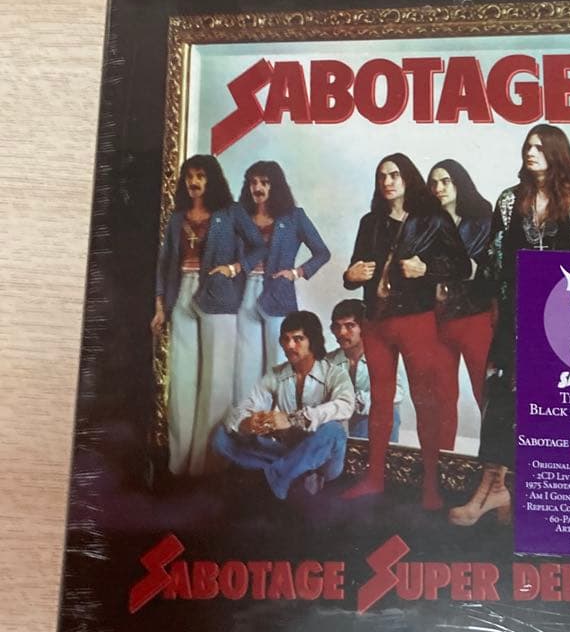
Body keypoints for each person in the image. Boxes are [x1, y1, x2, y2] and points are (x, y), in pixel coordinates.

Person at [449, 124, 570, 526]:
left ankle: (550, 501)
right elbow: (494, 259)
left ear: (555, 153)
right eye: (528, 146)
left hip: (565, 322)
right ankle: (492, 488)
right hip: (513, 317)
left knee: (555, 404)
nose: (531, 152)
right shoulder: (509, 201)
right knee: (500, 397)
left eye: (539, 146)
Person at [342, 153, 471, 509]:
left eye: (394, 175)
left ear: (408, 178)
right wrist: (349, 276)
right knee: (380, 401)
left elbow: (461, 265)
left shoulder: (433, 219)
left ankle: (430, 486)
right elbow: (354, 271)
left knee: (424, 399)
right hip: (376, 322)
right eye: (382, 176)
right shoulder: (370, 221)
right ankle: (374, 479)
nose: (387, 181)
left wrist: (426, 269)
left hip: (416, 320)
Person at [151, 154, 265, 477]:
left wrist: (234, 267)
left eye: (200, 175)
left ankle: (208, 468)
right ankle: (179, 466)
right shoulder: (177, 218)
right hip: (182, 297)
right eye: (189, 176)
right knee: (183, 381)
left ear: (211, 179)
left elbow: (259, 246)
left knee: (216, 382)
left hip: (219, 297)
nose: (194, 181)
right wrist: (160, 306)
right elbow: (164, 264)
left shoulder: (231, 212)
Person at [211, 311, 353, 500]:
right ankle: (292, 475)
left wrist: (293, 419)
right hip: (289, 452)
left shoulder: (335, 374)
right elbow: (246, 406)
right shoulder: (276, 374)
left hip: (324, 460)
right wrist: (247, 422)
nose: (289, 345)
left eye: (298, 339)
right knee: (221, 437)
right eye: (285, 339)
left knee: (334, 430)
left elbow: (345, 406)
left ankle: (271, 480)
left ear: (313, 341)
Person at [234, 160, 330, 402]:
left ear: (275, 185)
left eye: (264, 182)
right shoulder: (240, 217)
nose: (258, 188)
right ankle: (250, 417)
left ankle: (279, 419)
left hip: (278, 294)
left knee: (280, 361)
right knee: (246, 365)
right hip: (244, 293)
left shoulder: (294, 217)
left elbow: (322, 252)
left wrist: (296, 272)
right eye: (253, 182)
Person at [427, 159, 495, 450]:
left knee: (485, 391)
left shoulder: (482, 219)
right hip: (437, 319)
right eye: (433, 183)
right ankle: (444, 460)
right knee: (442, 395)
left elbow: (482, 268)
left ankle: (496, 463)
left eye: (445, 181)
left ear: (459, 183)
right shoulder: (425, 224)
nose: (438, 188)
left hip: (474, 315)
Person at [326, 299, 406, 442]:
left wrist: (359, 401)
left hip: (369, 417)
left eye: (349, 326)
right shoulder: (327, 362)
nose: (341, 332)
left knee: (388, 411)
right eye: (336, 327)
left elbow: (396, 392)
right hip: (338, 421)